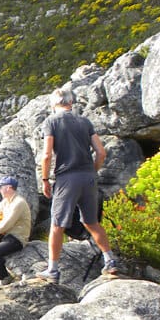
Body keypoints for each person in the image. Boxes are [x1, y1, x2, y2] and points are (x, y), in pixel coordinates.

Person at [36, 87, 118, 284]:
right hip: (89, 177)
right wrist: (93, 171)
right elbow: (101, 152)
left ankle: (53, 270)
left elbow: (47, 155)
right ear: (71, 102)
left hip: (67, 178)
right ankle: (110, 260)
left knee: (57, 225)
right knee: (91, 222)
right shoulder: (84, 121)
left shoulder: (51, 122)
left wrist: (45, 180)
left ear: (54, 104)